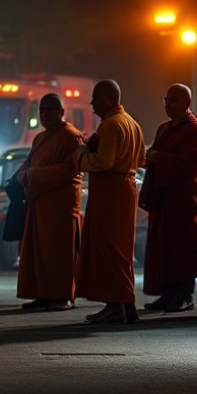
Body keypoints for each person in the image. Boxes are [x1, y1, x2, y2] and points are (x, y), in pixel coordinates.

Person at [74, 79, 146, 324]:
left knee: (110, 249)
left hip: (111, 191)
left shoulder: (112, 125)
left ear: (109, 99)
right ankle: (122, 303)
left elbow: (104, 162)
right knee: (120, 249)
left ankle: (118, 305)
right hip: (124, 189)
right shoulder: (132, 123)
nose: (91, 103)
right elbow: (142, 159)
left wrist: (82, 157)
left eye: (95, 97)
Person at [140, 83, 197, 312]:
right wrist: (150, 157)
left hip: (182, 199)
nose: (168, 104)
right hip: (163, 196)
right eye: (166, 100)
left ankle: (184, 295)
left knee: (182, 246)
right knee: (162, 247)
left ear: (187, 103)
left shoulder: (195, 130)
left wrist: (160, 157)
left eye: (174, 100)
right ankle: (167, 294)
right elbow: (153, 157)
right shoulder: (164, 128)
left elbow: (190, 163)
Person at [16, 93, 84, 311]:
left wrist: (32, 175)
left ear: (62, 112)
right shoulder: (40, 138)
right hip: (39, 203)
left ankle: (63, 296)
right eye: (42, 110)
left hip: (60, 207)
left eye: (50, 110)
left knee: (59, 252)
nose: (45, 114)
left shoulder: (71, 137)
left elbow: (70, 170)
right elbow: (29, 163)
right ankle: (42, 295)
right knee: (39, 252)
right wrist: (23, 173)